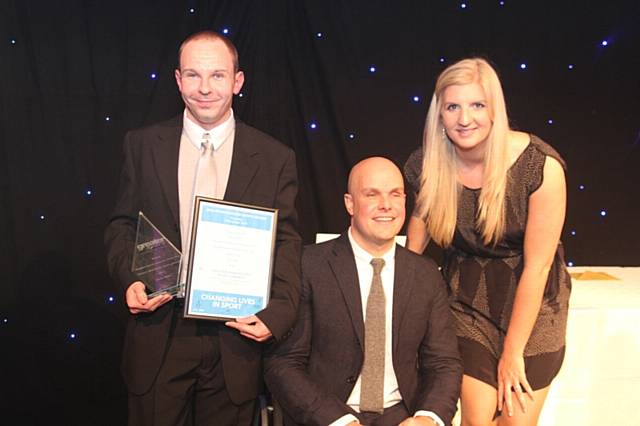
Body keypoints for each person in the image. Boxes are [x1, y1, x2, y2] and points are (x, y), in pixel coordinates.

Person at [104, 31, 301, 425]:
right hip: (160, 329)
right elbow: (121, 224)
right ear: (178, 80)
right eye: (193, 76)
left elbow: (286, 242)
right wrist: (127, 278)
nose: (205, 88)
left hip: (235, 336)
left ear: (237, 81)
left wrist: (278, 313)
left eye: (217, 76)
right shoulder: (141, 145)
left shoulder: (276, 157)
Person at [403, 58, 571, 425]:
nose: (465, 119)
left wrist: (513, 352)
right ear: (440, 115)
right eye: (453, 107)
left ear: (495, 108)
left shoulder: (539, 167)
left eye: (477, 105)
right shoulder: (427, 164)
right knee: (477, 420)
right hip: (465, 300)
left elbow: (539, 266)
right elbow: (415, 237)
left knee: (514, 420)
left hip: (534, 303)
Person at [264, 157, 462, 426]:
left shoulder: (425, 274)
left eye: (395, 194)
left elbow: (444, 363)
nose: (386, 205)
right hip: (329, 416)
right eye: (372, 194)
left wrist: (427, 418)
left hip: (403, 417)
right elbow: (283, 363)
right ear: (350, 203)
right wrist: (338, 420)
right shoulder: (308, 265)